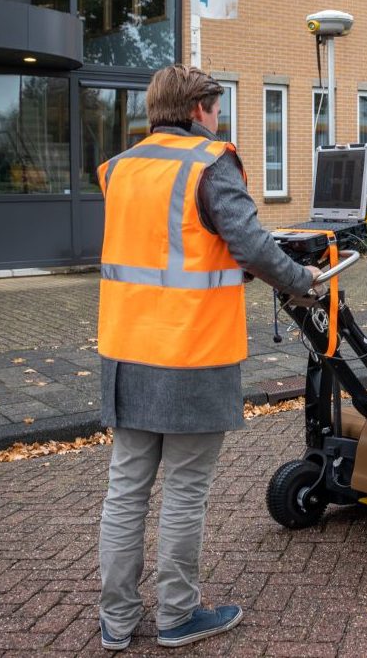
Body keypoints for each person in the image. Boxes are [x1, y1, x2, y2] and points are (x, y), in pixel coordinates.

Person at [96, 65, 321, 650]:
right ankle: (177, 615)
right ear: (199, 108)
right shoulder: (212, 161)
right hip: (191, 350)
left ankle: (116, 622)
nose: (219, 118)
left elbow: (171, 246)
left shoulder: (119, 169)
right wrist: (304, 280)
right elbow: (248, 243)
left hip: (125, 349)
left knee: (126, 490)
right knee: (186, 489)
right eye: (216, 107)